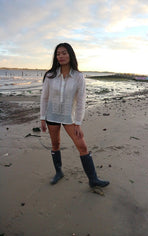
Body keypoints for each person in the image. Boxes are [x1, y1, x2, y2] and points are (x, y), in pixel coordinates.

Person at [40, 43, 110, 188]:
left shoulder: (78, 77)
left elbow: (81, 100)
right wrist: (42, 118)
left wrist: (78, 122)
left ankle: (93, 179)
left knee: (82, 146)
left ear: (70, 55)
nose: (61, 56)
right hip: (51, 115)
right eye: (58, 54)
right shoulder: (50, 75)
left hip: (69, 117)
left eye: (64, 53)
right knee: (55, 144)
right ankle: (58, 172)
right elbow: (44, 97)